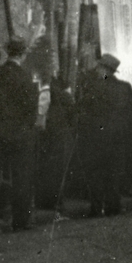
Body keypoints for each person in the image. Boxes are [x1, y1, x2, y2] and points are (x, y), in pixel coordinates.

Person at [0, 38, 40, 230]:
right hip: (21, 134)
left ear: (7, 52)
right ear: (23, 54)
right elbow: (32, 109)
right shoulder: (26, 77)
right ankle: (21, 219)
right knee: (22, 177)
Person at [77, 55, 132, 217]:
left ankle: (96, 208)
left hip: (97, 136)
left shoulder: (95, 87)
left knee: (96, 173)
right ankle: (113, 206)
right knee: (114, 172)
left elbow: (83, 109)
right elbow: (131, 112)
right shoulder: (125, 87)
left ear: (105, 69)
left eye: (99, 67)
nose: (96, 69)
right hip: (118, 137)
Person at [36, 74, 76, 211]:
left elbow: (41, 116)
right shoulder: (67, 97)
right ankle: (56, 200)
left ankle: (45, 200)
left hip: (49, 135)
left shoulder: (47, 93)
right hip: (63, 136)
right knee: (59, 170)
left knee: (47, 169)